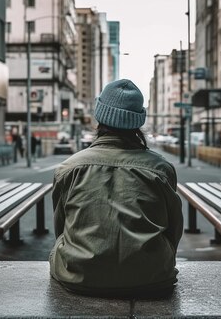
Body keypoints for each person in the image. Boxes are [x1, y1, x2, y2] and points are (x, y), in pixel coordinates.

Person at [49, 79, 183, 298]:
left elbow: (61, 227)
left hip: (79, 276)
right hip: (153, 277)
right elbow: (173, 229)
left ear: (99, 117)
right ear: (138, 122)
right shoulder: (161, 169)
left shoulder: (70, 168)